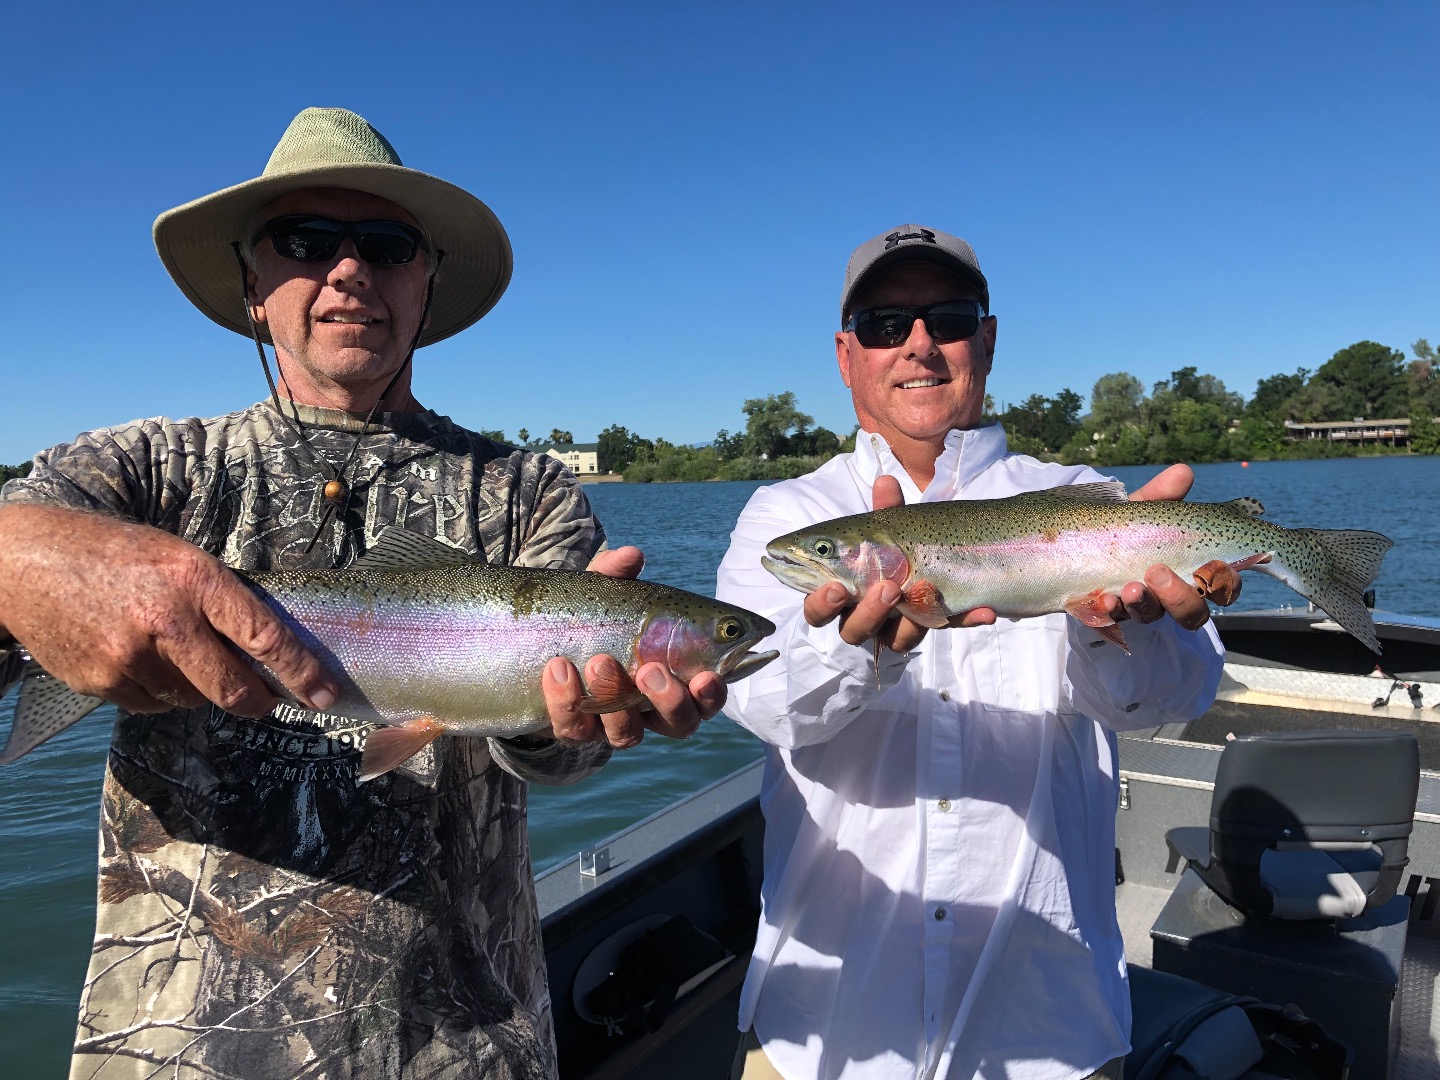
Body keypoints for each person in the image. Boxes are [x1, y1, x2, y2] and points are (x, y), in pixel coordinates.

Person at [0, 107, 723, 1080]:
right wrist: (26, 558)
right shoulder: (143, 471)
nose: (349, 271)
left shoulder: (527, 490)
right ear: (253, 281)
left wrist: (566, 725)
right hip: (174, 1052)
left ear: (427, 282)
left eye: (384, 245)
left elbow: (561, 763)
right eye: (306, 241)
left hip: (472, 1046)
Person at [716, 225, 1237, 1080]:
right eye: (886, 324)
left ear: (986, 340)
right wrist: (859, 654)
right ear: (846, 355)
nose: (918, 343)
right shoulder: (785, 518)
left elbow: (1181, 695)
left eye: (948, 318)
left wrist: (1135, 624)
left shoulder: (1081, 502)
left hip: (1050, 1035)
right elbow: (764, 703)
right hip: (825, 1038)